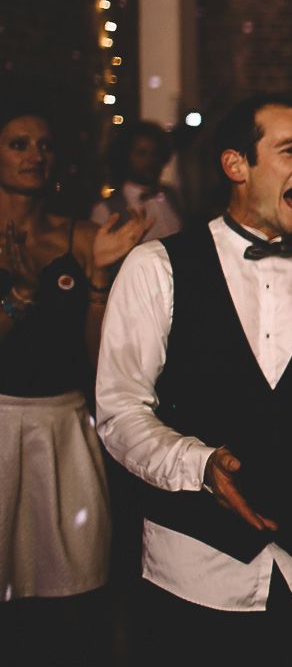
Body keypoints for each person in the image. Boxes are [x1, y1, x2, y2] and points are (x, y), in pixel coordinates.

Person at [95, 94, 292, 665]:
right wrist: (199, 465)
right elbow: (119, 410)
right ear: (236, 166)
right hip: (193, 574)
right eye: (289, 149)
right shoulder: (157, 266)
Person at [0, 101, 147, 666]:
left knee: (72, 588)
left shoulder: (83, 236)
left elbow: (96, 356)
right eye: (18, 143)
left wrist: (101, 279)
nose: (35, 155)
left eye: (44, 145)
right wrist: (18, 297)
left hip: (63, 424)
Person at [91, 119, 183, 242]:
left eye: (155, 153)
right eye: (141, 153)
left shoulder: (172, 195)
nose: (150, 160)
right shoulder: (105, 210)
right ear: (125, 156)